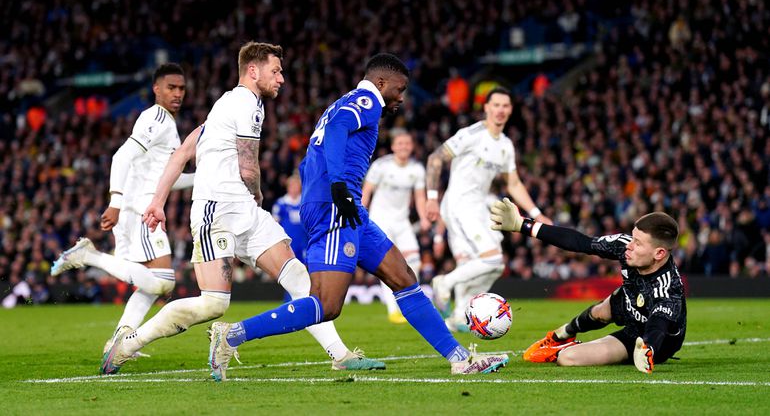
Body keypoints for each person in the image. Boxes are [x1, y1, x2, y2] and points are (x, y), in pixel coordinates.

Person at [206, 53, 509, 378]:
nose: (401, 97)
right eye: (399, 88)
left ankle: (460, 358)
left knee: (404, 277)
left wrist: (331, 191)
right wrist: (337, 187)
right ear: (381, 82)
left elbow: (312, 157)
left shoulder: (342, 102)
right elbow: (337, 131)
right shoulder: (367, 100)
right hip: (337, 207)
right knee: (326, 304)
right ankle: (232, 334)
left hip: (347, 209)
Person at [101, 42, 384, 377]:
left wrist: (158, 202)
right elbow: (248, 166)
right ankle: (128, 344)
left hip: (243, 212)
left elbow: (181, 156)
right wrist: (258, 195)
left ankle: (340, 354)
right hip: (217, 212)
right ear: (254, 70)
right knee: (214, 304)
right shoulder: (248, 103)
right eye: (275, 70)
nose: (281, 78)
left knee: (297, 276)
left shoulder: (223, 106)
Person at [51, 63, 192, 353]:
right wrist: (115, 202)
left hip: (138, 206)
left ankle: (118, 341)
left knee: (151, 284)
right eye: (171, 87)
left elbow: (166, 179)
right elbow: (122, 155)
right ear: (156, 89)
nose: (178, 93)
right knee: (163, 282)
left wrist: (207, 178)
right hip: (139, 208)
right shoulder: (156, 118)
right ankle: (88, 255)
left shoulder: (166, 122)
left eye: (181, 88)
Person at [490, 198, 686, 373]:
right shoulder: (625, 246)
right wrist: (523, 224)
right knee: (601, 310)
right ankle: (562, 336)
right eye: (632, 237)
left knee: (568, 359)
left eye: (638, 243)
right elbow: (581, 243)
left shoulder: (668, 289)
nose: (629, 245)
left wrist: (648, 348)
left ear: (659, 254)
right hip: (629, 300)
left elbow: (658, 326)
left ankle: (564, 348)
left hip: (649, 340)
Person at [425, 87, 552, 331]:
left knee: (492, 265)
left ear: (511, 110)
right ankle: (443, 282)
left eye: (505, 106)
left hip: (479, 208)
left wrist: (537, 214)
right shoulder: (472, 134)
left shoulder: (505, 146)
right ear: (486, 107)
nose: (500, 110)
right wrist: (432, 197)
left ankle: (459, 315)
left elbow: (513, 183)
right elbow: (436, 158)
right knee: (491, 258)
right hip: (459, 204)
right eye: (496, 105)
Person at [361, 129, 431, 324]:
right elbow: (367, 191)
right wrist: (361, 215)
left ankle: (408, 304)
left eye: (407, 143)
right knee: (388, 266)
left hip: (402, 222)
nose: (404, 147)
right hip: (381, 220)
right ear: (393, 146)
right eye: (400, 143)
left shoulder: (416, 169)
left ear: (412, 146)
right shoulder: (381, 166)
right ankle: (394, 311)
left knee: (414, 262)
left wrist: (424, 217)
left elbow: (419, 197)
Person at [272, 173, 308, 301]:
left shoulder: (304, 202)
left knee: (304, 273)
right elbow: (275, 224)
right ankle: (289, 300)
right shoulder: (281, 204)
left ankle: (304, 299)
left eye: (296, 186)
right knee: (290, 274)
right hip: (288, 246)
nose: (294, 188)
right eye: (291, 186)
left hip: (303, 244)